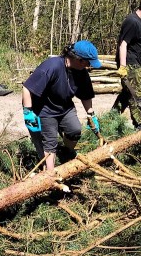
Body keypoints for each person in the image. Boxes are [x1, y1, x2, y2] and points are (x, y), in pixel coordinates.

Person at [22, 40, 102, 170]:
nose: (89, 66)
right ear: (79, 59)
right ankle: (50, 175)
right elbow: (27, 88)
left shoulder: (81, 72)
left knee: (75, 130)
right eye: (88, 62)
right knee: (49, 142)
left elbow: (86, 94)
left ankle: (65, 153)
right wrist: (28, 112)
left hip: (65, 107)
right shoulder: (51, 66)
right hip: (44, 109)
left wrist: (91, 113)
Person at [111, 0, 141, 130]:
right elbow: (123, 44)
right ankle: (140, 124)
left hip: (135, 62)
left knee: (126, 94)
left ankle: (110, 118)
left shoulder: (140, 21)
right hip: (130, 64)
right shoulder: (132, 21)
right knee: (135, 94)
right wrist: (123, 66)